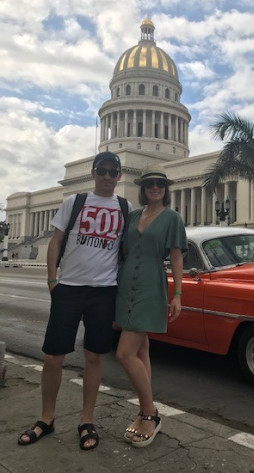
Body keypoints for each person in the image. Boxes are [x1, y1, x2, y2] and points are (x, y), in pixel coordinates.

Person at [18, 151, 130, 451]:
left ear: (120, 175)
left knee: (94, 357)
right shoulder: (75, 202)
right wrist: (52, 280)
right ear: (93, 173)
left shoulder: (125, 207)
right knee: (53, 356)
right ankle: (46, 418)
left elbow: (131, 247)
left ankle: (86, 420)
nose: (107, 176)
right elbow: (56, 241)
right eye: (102, 170)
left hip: (104, 290)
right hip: (69, 287)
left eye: (113, 172)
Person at [115, 164, 187, 448]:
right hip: (125, 285)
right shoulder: (133, 216)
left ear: (165, 189)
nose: (155, 188)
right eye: (149, 184)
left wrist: (178, 294)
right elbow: (121, 251)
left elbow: (177, 257)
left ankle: (150, 413)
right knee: (141, 349)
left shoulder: (172, 218)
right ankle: (145, 411)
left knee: (124, 353)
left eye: (159, 184)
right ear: (143, 189)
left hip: (150, 285)